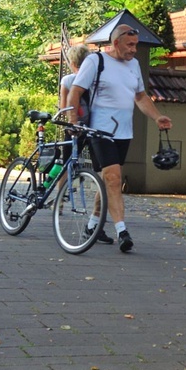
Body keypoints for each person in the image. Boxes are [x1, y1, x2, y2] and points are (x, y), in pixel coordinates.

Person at [67, 25, 172, 252]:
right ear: (116, 43)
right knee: (114, 178)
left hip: (124, 132)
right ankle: (122, 230)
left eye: (136, 45)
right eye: (130, 45)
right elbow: (75, 91)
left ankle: (92, 225)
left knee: (107, 180)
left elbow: (140, 97)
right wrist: (73, 122)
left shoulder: (134, 65)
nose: (134, 50)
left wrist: (157, 117)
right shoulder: (96, 61)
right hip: (100, 130)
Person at [59, 45, 114, 244]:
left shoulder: (68, 80)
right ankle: (97, 219)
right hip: (93, 129)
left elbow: (63, 106)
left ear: (72, 63)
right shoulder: (95, 81)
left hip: (74, 128)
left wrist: (71, 122)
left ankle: (61, 202)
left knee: (66, 165)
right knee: (101, 171)